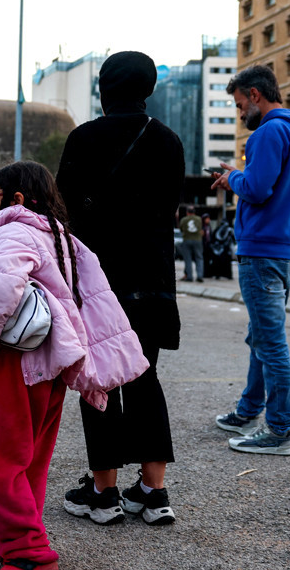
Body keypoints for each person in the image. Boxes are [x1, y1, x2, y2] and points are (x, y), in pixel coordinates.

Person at [0, 161, 148, 570]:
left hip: (15, 359)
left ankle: (28, 550)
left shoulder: (12, 229)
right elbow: (95, 300)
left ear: (16, 199)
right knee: (29, 460)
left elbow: (2, 285)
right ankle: (13, 538)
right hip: (54, 365)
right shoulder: (65, 238)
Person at [56, 50, 183, 527]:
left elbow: (63, 212)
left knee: (99, 381)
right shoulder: (168, 141)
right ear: (147, 88)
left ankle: (104, 493)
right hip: (152, 282)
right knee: (145, 377)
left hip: (98, 281)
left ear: (104, 88)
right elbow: (169, 206)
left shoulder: (84, 138)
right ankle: (154, 492)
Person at [211, 64, 290, 456]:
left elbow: (257, 189)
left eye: (241, 106)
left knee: (270, 341)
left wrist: (233, 180)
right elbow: (270, 186)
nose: (242, 115)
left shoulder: (269, 131)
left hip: (261, 250)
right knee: (260, 335)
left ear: (255, 95)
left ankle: (279, 430)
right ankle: (249, 409)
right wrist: (242, 175)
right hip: (285, 249)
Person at [179, 206, 204, 282]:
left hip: (187, 240)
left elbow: (181, 229)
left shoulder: (184, 219)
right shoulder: (199, 219)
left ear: (187, 212)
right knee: (199, 258)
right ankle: (199, 275)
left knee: (188, 259)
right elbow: (200, 228)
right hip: (197, 240)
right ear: (194, 212)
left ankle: (189, 276)